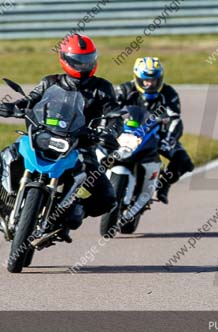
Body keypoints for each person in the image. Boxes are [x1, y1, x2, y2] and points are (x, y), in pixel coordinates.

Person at [0, 34, 121, 241]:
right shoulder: (50, 82)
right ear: (65, 59)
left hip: (81, 146)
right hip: (41, 136)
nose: (84, 65)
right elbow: (30, 101)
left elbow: (115, 116)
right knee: (7, 155)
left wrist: (109, 132)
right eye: (78, 61)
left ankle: (70, 211)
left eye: (88, 59)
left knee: (108, 199)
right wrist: (12, 108)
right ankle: (6, 203)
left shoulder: (103, 88)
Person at [115, 57, 193, 205]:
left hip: (157, 135)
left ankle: (164, 185)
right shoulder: (124, 90)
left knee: (183, 160)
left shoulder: (169, 94)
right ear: (137, 78)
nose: (150, 84)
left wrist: (170, 138)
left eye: (154, 80)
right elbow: (110, 110)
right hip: (126, 134)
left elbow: (175, 119)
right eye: (145, 81)